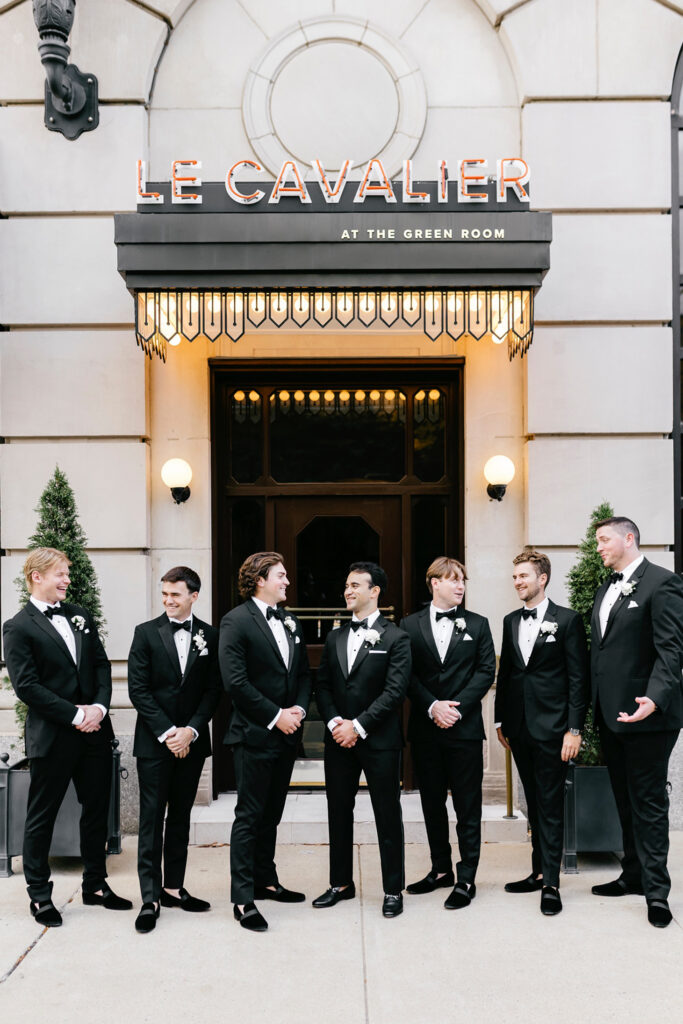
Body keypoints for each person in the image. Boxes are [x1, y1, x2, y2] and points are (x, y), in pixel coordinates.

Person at [2, 547, 132, 927]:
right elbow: (27, 686)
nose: (67, 580)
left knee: (96, 810)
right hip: (54, 737)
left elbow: (101, 666)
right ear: (36, 576)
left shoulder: (80, 616)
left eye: (67, 573)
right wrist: (76, 714)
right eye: (60, 573)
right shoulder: (18, 626)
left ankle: (95, 885)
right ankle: (40, 896)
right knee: (41, 816)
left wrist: (100, 709)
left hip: (94, 734)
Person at [589, 516, 683, 928]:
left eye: (604, 539)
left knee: (648, 803)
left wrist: (656, 698)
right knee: (624, 800)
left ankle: (657, 892)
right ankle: (633, 875)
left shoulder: (662, 583)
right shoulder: (603, 588)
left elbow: (671, 650)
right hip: (612, 716)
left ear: (630, 538)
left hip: (650, 716)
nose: (599, 548)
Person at [219, 551, 311, 932]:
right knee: (250, 815)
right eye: (281, 575)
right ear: (260, 580)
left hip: (287, 734)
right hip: (254, 734)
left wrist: (300, 712)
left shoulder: (290, 621)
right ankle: (243, 899)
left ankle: (266, 880)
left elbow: (304, 673)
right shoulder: (235, 622)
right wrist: (277, 716)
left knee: (272, 814)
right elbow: (235, 682)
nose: (287, 581)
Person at [313, 562, 411, 918]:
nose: (348, 590)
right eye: (346, 584)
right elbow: (322, 684)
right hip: (339, 741)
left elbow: (395, 691)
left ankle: (392, 889)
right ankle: (340, 883)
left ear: (375, 592)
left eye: (356, 585)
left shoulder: (396, 637)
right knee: (338, 812)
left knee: (387, 814)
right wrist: (337, 722)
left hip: (380, 741)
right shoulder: (335, 636)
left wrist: (359, 726)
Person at [127, 566, 221, 933]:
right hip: (155, 743)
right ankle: (149, 898)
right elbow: (138, 690)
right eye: (165, 594)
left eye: (175, 594)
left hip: (192, 745)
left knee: (180, 817)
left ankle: (173, 887)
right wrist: (169, 732)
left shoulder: (211, 636)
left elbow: (214, 690)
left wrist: (191, 732)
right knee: (151, 820)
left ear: (194, 596)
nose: (168, 600)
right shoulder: (145, 633)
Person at [495, 549, 589, 915]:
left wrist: (574, 729)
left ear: (542, 579)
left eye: (523, 576)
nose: (517, 581)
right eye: (515, 576)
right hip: (519, 729)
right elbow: (508, 674)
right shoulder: (509, 620)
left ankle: (551, 883)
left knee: (550, 806)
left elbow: (579, 680)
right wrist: (502, 720)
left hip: (554, 730)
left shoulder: (566, 621)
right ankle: (538, 872)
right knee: (534, 803)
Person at [401, 557, 495, 911]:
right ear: (433, 583)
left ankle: (467, 875)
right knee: (432, 804)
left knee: (468, 806)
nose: (460, 586)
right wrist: (432, 706)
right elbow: (405, 674)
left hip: (465, 728)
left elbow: (486, 672)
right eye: (452, 580)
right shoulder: (409, 625)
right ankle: (440, 869)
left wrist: (455, 708)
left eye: (463, 580)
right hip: (426, 730)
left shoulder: (479, 624)